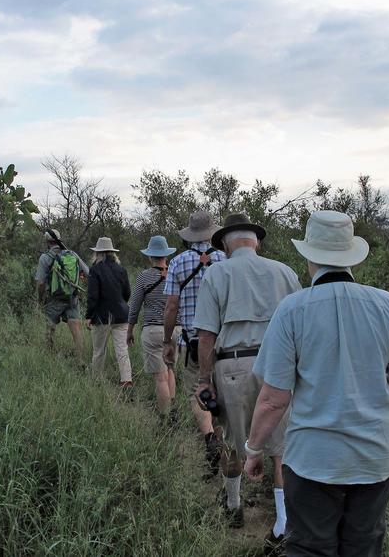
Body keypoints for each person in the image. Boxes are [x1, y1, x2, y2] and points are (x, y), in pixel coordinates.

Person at [243, 211, 389, 557]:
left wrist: (254, 450)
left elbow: (273, 399)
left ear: (310, 255)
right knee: (364, 546)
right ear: (350, 255)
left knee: (310, 549)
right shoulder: (385, 304)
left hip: (313, 462)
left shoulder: (292, 310)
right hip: (374, 459)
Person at [193, 213, 301, 533]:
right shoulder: (285, 272)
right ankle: (282, 522)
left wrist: (203, 379)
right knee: (281, 449)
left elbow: (207, 335)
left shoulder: (217, 273)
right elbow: (299, 328)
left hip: (233, 365)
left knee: (231, 441)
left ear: (226, 244)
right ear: (256, 242)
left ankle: (234, 506)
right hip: (278, 367)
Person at [161, 211, 227, 473]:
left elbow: (171, 306)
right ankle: (222, 441)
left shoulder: (177, 262)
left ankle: (209, 436)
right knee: (222, 391)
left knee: (196, 392)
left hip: (192, 341)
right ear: (212, 233)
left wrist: (167, 340)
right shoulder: (225, 259)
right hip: (224, 341)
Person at [127, 235, 180, 418]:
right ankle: (172, 409)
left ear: (150, 256)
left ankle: (165, 417)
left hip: (153, 330)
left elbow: (134, 306)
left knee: (160, 376)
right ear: (166, 254)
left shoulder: (144, 276)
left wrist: (130, 329)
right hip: (176, 329)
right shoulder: (176, 273)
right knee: (170, 369)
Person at [85, 237, 133, 388]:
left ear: (98, 253)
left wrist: (88, 316)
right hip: (122, 315)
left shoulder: (95, 270)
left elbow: (93, 296)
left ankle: (96, 381)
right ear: (112, 252)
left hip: (101, 317)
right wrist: (119, 303)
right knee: (122, 350)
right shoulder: (121, 269)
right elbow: (127, 293)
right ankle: (126, 381)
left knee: (99, 351)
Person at [35, 229, 89, 362]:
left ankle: (48, 357)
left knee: (49, 328)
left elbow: (41, 282)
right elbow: (88, 272)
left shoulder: (45, 257)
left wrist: (40, 299)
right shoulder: (72, 254)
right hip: (72, 298)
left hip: (54, 299)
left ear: (48, 242)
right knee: (76, 329)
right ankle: (80, 360)